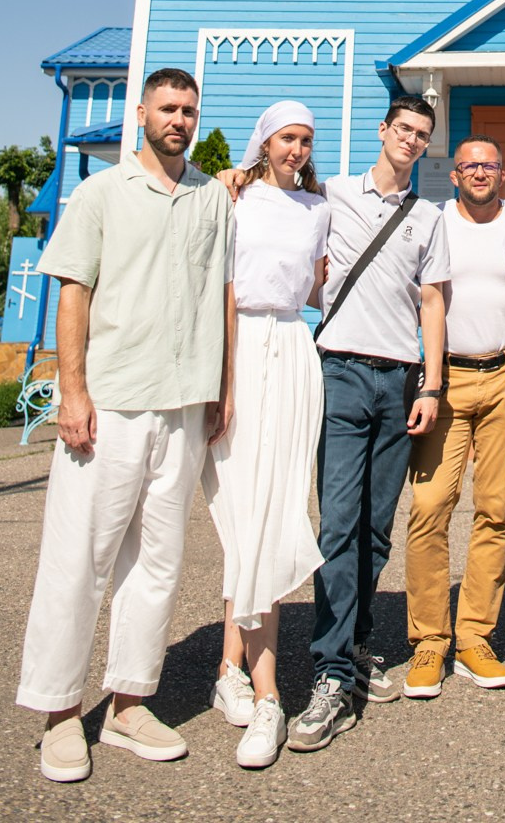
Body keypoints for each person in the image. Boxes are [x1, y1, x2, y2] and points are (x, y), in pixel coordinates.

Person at [16, 69, 234, 785]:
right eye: (168, 108)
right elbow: (73, 292)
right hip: (109, 405)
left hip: (183, 407)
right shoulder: (100, 194)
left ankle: (129, 705)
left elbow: (221, 296)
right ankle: (58, 713)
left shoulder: (210, 198)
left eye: (189, 111)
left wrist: (221, 389)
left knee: (159, 565)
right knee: (79, 560)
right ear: (141, 113)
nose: (179, 120)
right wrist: (72, 392)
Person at [286, 96, 450, 752]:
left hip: (400, 379)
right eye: (402, 129)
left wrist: (432, 384)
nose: (410, 140)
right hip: (341, 372)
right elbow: (284, 218)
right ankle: (328, 674)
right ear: (383, 131)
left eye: (421, 135)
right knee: (337, 523)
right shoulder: (332, 196)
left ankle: (355, 645)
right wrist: (237, 177)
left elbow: (433, 302)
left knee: (375, 529)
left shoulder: (428, 217)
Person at [203, 102, 329, 769]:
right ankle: (262, 688)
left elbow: (319, 285)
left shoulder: (317, 209)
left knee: (277, 507)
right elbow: (218, 285)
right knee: (242, 509)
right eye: (287, 138)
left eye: (305, 140)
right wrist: (222, 379)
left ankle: (237, 672)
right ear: (265, 141)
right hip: (241, 345)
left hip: (293, 346)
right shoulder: (233, 198)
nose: (297, 149)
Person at [403, 137, 505, 698]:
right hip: (445, 379)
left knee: (496, 510)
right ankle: (429, 639)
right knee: (429, 506)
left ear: (501, 173)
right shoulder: (434, 222)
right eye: (469, 165)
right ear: (454, 175)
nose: (479, 173)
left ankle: (474, 635)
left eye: (488, 165)